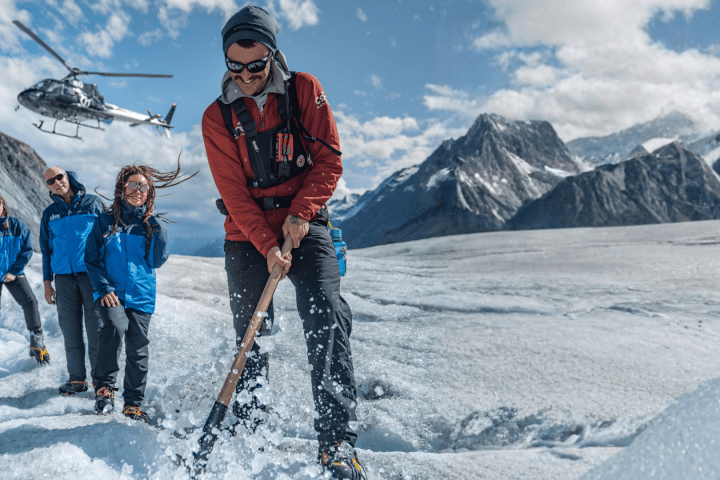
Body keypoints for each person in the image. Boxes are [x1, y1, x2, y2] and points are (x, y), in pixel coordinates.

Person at [202, 6, 366, 479]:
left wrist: (298, 215)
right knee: (252, 334)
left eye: (256, 66)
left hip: (306, 220)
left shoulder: (304, 90)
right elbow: (233, 193)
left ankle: (336, 441)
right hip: (246, 230)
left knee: (326, 316)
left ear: (272, 55)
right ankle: (251, 426)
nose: (247, 76)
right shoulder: (217, 117)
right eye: (236, 67)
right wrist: (265, 243)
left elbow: (328, 161)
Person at [84, 164, 191, 422]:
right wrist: (104, 288)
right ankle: (104, 390)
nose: (139, 190)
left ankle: (133, 403)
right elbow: (91, 258)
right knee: (111, 330)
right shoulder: (106, 221)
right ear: (122, 189)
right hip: (112, 293)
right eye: (134, 184)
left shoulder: (149, 225)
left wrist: (158, 228)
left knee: (138, 348)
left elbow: (155, 261)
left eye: (144, 186)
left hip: (141, 294)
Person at [40, 168, 104, 395]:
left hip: (90, 276)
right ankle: (77, 379)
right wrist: (47, 283)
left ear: (68, 177)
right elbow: (46, 250)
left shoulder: (93, 204)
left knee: (96, 330)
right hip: (64, 279)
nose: (57, 182)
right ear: (48, 187)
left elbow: (107, 239)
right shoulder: (49, 213)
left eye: (59, 177)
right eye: (51, 181)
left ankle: (101, 384)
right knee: (70, 330)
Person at [0, 194, 49, 365]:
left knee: (30, 301)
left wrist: (14, 271)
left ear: (3, 205)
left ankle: (36, 339)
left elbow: (27, 250)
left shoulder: (17, 225)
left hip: (13, 272)